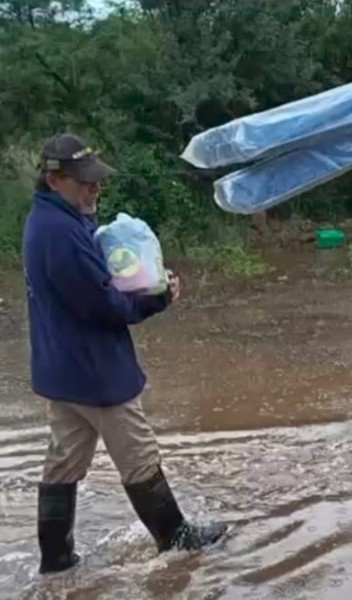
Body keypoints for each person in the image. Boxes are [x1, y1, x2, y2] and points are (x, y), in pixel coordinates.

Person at [22, 133, 227, 575]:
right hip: (96, 374)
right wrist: (158, 299)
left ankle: (56, 561)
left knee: (63, 464)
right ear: (54, 179)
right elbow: (105, 304)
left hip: (63, 371)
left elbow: (97, 284)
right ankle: (177, 543)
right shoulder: (60, 232)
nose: (94, 188)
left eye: (95, 181)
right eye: (84, 182)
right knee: (139, 457)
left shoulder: (51, 220)